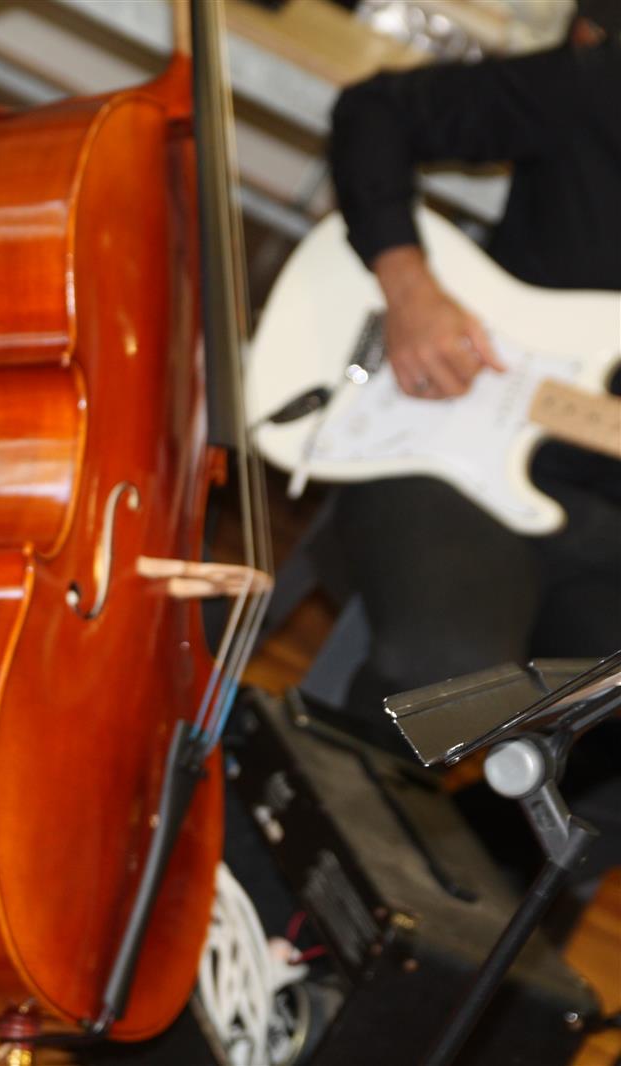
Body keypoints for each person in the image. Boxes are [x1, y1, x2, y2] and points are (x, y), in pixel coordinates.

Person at [326, 0, 621, 729]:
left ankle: (469, 836)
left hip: (602, 526)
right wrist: (410, 288)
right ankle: (320, 800)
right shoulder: (600, 90)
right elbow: (375, 112)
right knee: (446, 683)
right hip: (449, 436)